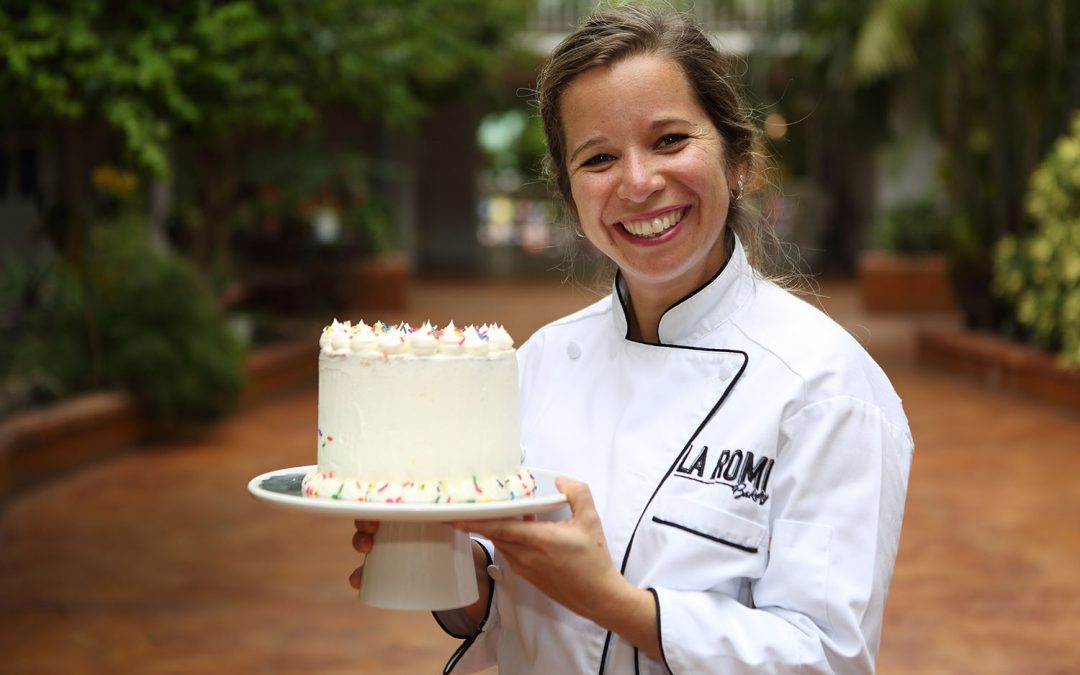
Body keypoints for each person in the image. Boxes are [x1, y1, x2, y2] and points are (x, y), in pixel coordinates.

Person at [351, 5, 914, 673]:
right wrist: (451, 565)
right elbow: (515, 617)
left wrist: (615, 601)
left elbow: (827, 658)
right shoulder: (539, 363)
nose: (638, 182)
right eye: (599, 157)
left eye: (670, 140)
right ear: (571, 194)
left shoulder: (824, 386)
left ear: (738, 160)